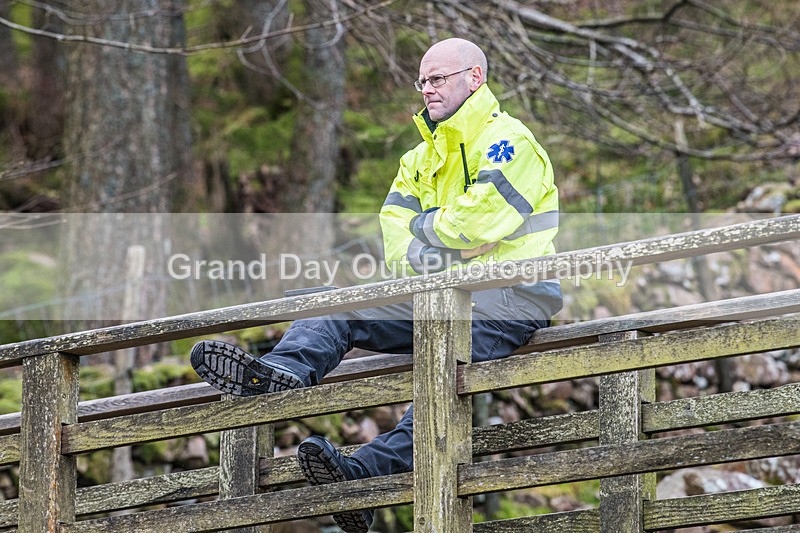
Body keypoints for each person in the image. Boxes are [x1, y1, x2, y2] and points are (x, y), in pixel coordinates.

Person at [191, 38, 562, 533]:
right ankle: (278, 374)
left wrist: (428, 233)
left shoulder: (509, 140)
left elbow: (481, 221)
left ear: (474, 78)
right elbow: (394, 237)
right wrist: (443, 244)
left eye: (439, 78)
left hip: (509, 294)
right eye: (423, 80)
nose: (427, 89)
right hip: (438, 290)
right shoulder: (417, 158)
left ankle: (363, 475)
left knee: (440, 369)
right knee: (340, 302)